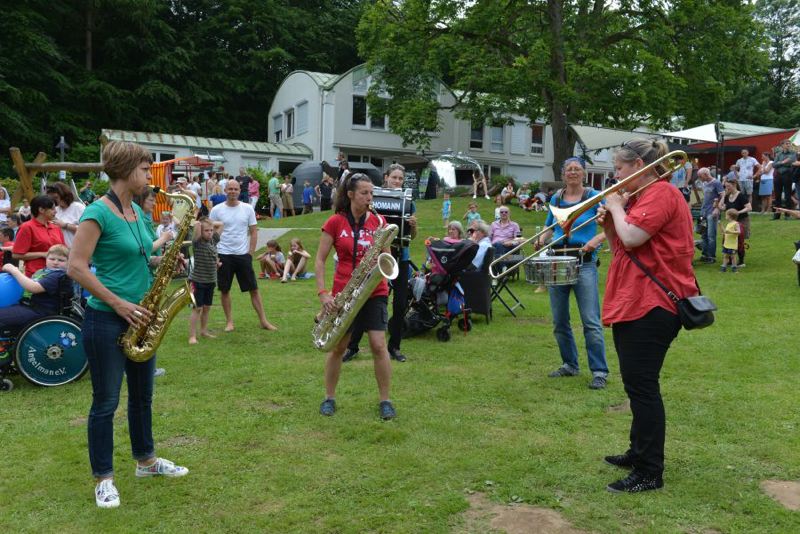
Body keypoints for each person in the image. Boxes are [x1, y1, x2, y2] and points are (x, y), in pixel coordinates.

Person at [68, 141, 189, 509]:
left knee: (142, 397)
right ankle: (103, 478)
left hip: (142, 316)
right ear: (124, 169)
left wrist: (166, 260)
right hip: (106, 318)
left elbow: (140, 256)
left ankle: (146, 462)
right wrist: (118, 303)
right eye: (143, 168)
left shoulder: (137, 210)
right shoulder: (96, 213)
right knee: (105, 402)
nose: (147, 176)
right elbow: (76, 266)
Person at [597, 138, 697, 493]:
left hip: (653, 303)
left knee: (643, 388)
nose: (615, 178)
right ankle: (637, 452)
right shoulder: (641, 197)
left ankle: (650, 471)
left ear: (638, 165)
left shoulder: (663, 194)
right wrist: (611, 220)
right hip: (633, 300)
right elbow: (622, 246)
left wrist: (616, 208)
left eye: (618, 170)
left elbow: (635, 236)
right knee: (635, 384)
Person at [315, 173, 396, 420]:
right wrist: (323, 294)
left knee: (379, 345)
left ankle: (385, 401)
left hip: (374, 291)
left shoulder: (380, 222)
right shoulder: (335, 222)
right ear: (350, 195)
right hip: (344, 292)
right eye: (364, 193)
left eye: (371, 193)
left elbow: (387, 258)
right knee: (339, 347)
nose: (369, 197)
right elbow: (319, 259)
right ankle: (329, 397)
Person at [536, 157, 608, 389]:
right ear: (563, 173)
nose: (573, 172)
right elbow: (550, 226)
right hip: (557, 261)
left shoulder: (594, 195)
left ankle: (599, 371)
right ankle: (570, 364)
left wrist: (596, 240)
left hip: (584, 261)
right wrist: (541, 239)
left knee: (590, 320)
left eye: (577, 169)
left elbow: (612, 225)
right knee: (559, 320)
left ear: (584, 173)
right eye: (569, 169)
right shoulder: (556, 198)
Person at [344, 164, 417, 363]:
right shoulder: (373, 198)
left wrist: (413, 226)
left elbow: (412, 237)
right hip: (377, 259)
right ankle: (352, 346)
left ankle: (395, 347)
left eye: (400, 179)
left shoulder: (408, 202)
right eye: (394, 177)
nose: (397, 182)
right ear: (386, 178)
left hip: (400, 258)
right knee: (363, 299)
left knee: (400, 303)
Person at [209, 180, 277, 332]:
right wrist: (214, 255)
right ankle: (229, 322)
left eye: (235, 189)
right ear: (225, 190)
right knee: (225, 290)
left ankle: (264, 321)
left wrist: (250, 253)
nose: (232, 191)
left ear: (240, 191)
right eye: (230, 189)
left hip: (242, 255)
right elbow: (210, 233)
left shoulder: (247, 209)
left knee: (253, 289)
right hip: (223, 254)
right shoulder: (216, 210)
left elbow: (253, 231)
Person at [0, 244, 69, 328]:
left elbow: (33, 288)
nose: (55, 262)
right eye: (52, 259)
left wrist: (15, 271)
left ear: (68, 262)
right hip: (29, 305)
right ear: (46, 259)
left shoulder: (58, 275)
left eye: (61, 260)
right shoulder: (43, 271)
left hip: (39, 311)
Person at [12, 195, 65, 277]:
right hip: (37, 275)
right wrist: (42, 254)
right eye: (52, 209)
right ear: (41, 210)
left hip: (58, 274)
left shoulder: (56, 227)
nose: (55, 211)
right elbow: (16, 254)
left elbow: (63, 250)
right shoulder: (27, 227)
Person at [189, 217, 222, 344]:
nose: (210, 232)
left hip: (210, 280)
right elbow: (196, 223)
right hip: (198, 280)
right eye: (206, 230)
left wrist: (209, 224)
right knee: (197, 308)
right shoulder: (197, 242)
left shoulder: (213, 240)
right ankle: (192, 336)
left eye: (211, 230)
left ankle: (203, 331)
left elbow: (221, 224)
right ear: (201, 232)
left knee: (207, 307)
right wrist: (201, 224)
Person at [720, 178, 751, 267]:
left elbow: (749, 207)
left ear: (734, 185)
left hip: (741, 222)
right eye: (725, 186)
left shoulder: (741, 196)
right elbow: (722, 207)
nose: (727, 188)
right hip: (731, 223)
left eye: (728, 186)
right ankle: (730, 260)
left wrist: (738, 212)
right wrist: (723, 196)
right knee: (728, 240)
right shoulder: (727, 196)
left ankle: (741, 261)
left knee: (739, 242)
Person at [696, 167, 724, 264]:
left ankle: (712, 256)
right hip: (703, 212)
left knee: (711, 235)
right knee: (703, 234)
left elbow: (722, 195)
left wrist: (717, 208)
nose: (699, 178)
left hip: (712, 212)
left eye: (700, 176)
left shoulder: (716, 183)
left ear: (706, 174)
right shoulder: (704, 183)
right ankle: (705, 254)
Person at [47, 182, 86, 247]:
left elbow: (87, 230)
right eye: (52, 198)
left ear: (64, 195)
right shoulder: (55, 210)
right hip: (60, 251)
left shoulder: (79, 208)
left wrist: (65, 225)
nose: (54, 200)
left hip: (76, 249)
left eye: (56, 197)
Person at [773, 139, 797, 219]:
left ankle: (787, 215)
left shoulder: (793, 153)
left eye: (789, 143)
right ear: (782, 145)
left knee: (787, 195)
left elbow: (791, 161)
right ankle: (777, 215)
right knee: (777, 195)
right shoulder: (778, 154)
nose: (788, 145)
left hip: (787, 175)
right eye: (786, 143)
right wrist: (782, 162)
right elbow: (773, 165)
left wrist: (779, 163)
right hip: (778, 175)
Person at [720, 209, 740, 273]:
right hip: (726, 244)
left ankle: (734, 268)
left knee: (733, 256)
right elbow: (725, 232)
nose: (725, 216)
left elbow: (738, 232)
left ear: (730, 216)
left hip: (732, 244)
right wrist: (720, 225)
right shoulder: (728, 224)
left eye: (726, 215)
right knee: (725, 256)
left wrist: (730, 232)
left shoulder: (736, 224)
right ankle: (723, 267)